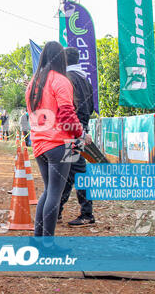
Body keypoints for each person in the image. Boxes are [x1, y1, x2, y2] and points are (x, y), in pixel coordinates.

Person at [26, 41, 83, 240]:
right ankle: (48, 244)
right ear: (62, 58)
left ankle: (39, 240)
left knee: (48, 191)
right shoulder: (61, 80)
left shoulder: (34, 82)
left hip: (40, 143)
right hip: (60, 143)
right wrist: (81, 134)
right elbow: (67, 113)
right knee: (55, 194)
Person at [58, 47, 95, 227]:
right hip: (80, 129)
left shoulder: (69, 79)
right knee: (69, 171)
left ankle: (87, 214)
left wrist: (78, 130)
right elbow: (90, 106)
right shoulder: (84, 79)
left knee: (76, 171)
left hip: (74, 131)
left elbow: (77, 107)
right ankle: (57, 210)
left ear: (64, 62)